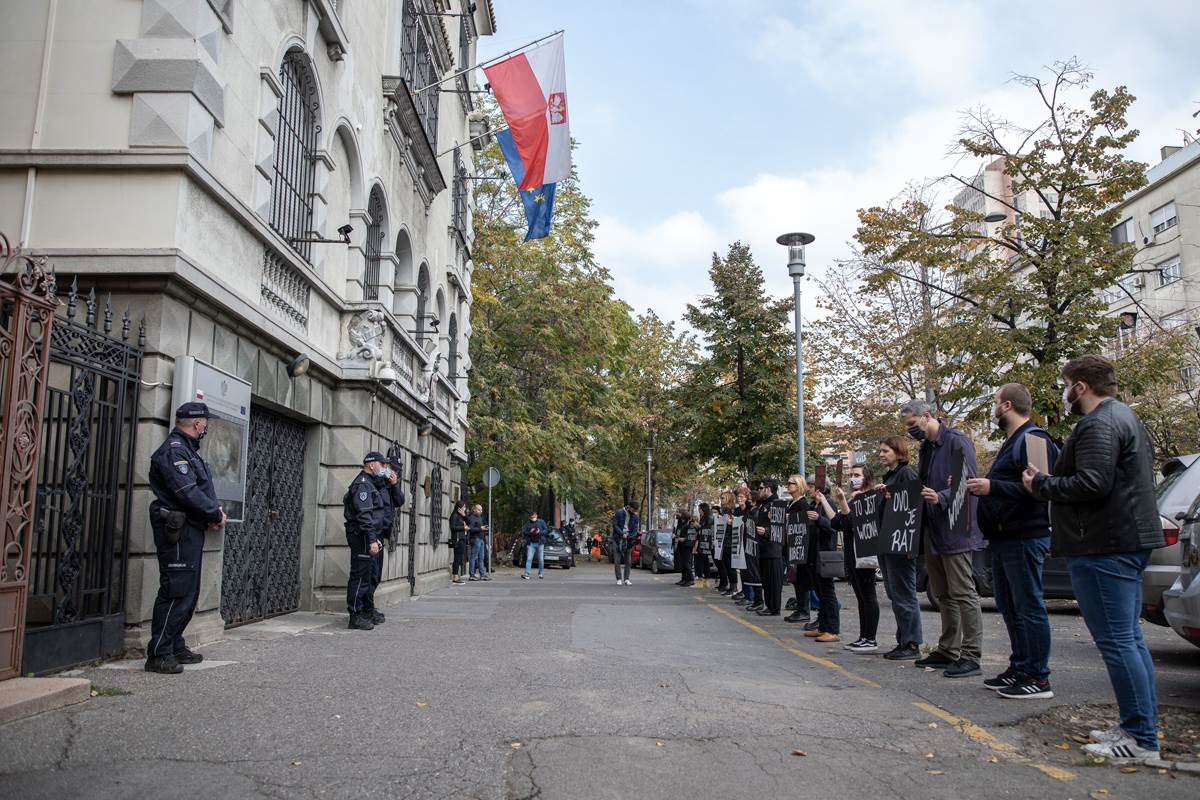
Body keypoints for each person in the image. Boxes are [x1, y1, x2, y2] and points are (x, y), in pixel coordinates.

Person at [1025, 356, 1165, 762]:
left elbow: (1092, 483)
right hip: (1123, 539)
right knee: (1129, 639)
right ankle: (1137, 725)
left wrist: (1042, 484)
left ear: (1081, 386)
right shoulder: (1125, 417)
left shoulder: (1098, 424)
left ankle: (1140, 739)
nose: (1064, 392)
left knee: (1118, 642)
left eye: (1065, 384)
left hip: (1105, 544)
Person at [967, 383, 1058, 699]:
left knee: (1028, 606)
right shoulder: (1013, 441)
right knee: (1010, 606)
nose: (993, 409)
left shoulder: (1034, 439)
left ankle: (1038, 676)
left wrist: (992, 487)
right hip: (1004, 537)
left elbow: (1042, 487)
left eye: (995, 402)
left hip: (1024, 536)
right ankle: (1020, 667)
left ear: (1006, 406)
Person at [901, 400, 985, 678]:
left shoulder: (957, 441)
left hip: (955, 528)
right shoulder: (926, 448)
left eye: (912, 424)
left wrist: (941, 497)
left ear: (926, 416)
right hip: (933, 529)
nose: (910, 430)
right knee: (943, 593)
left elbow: (968, 481)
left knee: (963, 592)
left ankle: (971, 655)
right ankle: (949, 649)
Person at [145, 402, 226, 673]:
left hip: (190, 528)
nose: (206, 426)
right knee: (176, 590)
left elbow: (195, 491)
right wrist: (214, 512)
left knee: (188, 592)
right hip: (177, 529)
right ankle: (159, 653)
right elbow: (187, 491)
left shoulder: (188, 450)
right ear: (197, 423)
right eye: (206, 422)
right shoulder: (175, 451)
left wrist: (210, 513)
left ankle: (174, 643)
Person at [876, 436, 924, 660]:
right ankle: (903, 639)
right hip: (890, 542)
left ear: (898, 452)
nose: (881, 454)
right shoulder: (891, 476)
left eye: (886, 451)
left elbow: (913, 505)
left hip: (901, 544)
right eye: (880, 451)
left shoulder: (906, 473)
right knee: (895, 594)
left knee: (904, 595)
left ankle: (911, 642)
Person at [831, 465, 881, 652]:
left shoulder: (871, 498)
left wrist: (843, 501)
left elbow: (851, 522)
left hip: (865, 553)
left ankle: (871, 638)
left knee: (868, 596)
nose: (853, 478)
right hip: (852, 554)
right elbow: (838, 522)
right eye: (851, 475)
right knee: (861, 597)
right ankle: (863, 636)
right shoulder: (854, 499)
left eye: (857, 475)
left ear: (867, 477)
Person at [345, 451, 387, 630]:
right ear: (372, 464)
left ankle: (365, 610)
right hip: (361, 536)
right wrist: (371, 539)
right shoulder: (362, 485)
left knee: (369, 575)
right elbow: (364, 515)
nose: (384, 468)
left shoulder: (371, 483)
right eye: (382, 464)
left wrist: (375, 538)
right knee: (360, 576)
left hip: (369, 535)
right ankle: (355, 615)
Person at [366, 457, 405, 616]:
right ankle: (365, 609)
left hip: (381, 533)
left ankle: (368, 607)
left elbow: (400, 501)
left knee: (376, 574)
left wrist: (394, 484)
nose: (393, 472)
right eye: (391, 468)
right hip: (372, 532)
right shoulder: (374, 481)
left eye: (396, 470)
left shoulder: (389, 485)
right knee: (369, 574)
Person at [753, 480, 786, 617]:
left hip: (773, 549)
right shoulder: (763, 504)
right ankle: (769, 605)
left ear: (768, 489)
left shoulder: (776, 504)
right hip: (763, 548)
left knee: (773, 580)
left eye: (761, 488)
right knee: (766, 580)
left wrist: (766, 532)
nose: (759, 491)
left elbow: (780, 527)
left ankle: (774, 607)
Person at [783, 477, 812, 624]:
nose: (788, 485)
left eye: (792, 483)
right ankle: (800, 608)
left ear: (799, 485)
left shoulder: (803, 503)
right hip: (791, 545)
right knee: (795, 578)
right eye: (788, 483)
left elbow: (805, 521)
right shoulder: (791, 503)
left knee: (801, 579)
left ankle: (804, 610)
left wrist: (791, 517)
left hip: (800, 546)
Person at [736, 485, 762, 611]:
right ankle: (753, 598)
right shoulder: (750, 511)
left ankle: (757, 600)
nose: (748, 500)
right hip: (747, 545)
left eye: (749, 498)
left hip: (754, 546)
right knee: (748, 573)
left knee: (755, 574)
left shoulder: (757, 511)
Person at [612, 503, 638, 585]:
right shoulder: (619, 512)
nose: (634, 512)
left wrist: (630, 536)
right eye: (633, 510)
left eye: (635, 510)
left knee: (628, 561)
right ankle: (619, 579)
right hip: (617, 539)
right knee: (617, 560)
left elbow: (635, 529)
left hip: (628, 540)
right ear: (629, 507)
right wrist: (621, 533)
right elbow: (615, 525)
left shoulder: (635, 516)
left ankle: (626, 579)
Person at [521, 511, 548, 580]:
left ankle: (541, 573)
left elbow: (546, 530)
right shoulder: (528, 523)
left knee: (541, 559)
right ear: (530, 517)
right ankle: (527, 574)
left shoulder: (541, 522)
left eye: (535, 517)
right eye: (532, 517)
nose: (533, 518)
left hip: (540, 543)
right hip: (531, 544)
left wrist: (539, 531)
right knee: (529, 559)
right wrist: (530, 532)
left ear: (537, 516)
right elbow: (524, 532)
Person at [694, 503, 715, 587]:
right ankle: (703, 582)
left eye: (699, 509)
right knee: (702, 562)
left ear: (703, 509)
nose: (699, 510)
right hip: (701, 542)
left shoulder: (709, 517)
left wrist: (698, 526)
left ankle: (702, 582)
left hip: (705, 542)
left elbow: (707, 530)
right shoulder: (703, 517)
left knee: (702, 562)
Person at [449, 500, 469, 584]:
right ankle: (455, 576)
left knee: (460, 557)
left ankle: (456, 575)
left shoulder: (461, 516)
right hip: (457, 539)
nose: (464, 508)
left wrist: (464, 516)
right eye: (463, 507)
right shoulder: (454, 515)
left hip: (462, 538)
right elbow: (453, 527)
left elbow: (469, 523)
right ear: (459, 508)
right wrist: (463, 528)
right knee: (457, 558)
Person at [468, 504, 490, 581]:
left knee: (481, 558)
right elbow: (470, 529)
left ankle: (482, 575)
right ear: (474, 510)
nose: (480, 511)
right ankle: (472, 575)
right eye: (478, 509)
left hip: (481, 538)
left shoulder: (480, 518)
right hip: (475, 539)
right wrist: (480, 528)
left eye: (481, 510)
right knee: (473, 557)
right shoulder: (471, 518)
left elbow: (481, 527)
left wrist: (485, 528)